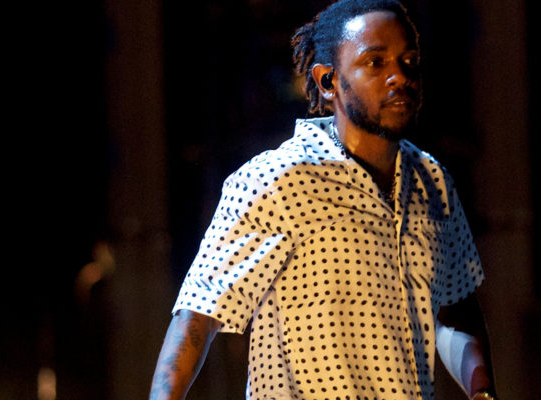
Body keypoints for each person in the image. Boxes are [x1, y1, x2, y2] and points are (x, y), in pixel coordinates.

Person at [149, 1, 498, 399]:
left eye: (409, 61)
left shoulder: (432, 181)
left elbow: (454, 313)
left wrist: (483, 392)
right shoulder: (276, 179)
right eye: (375, 62)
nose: (399, 76)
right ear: (328, 80)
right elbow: (198, 316)